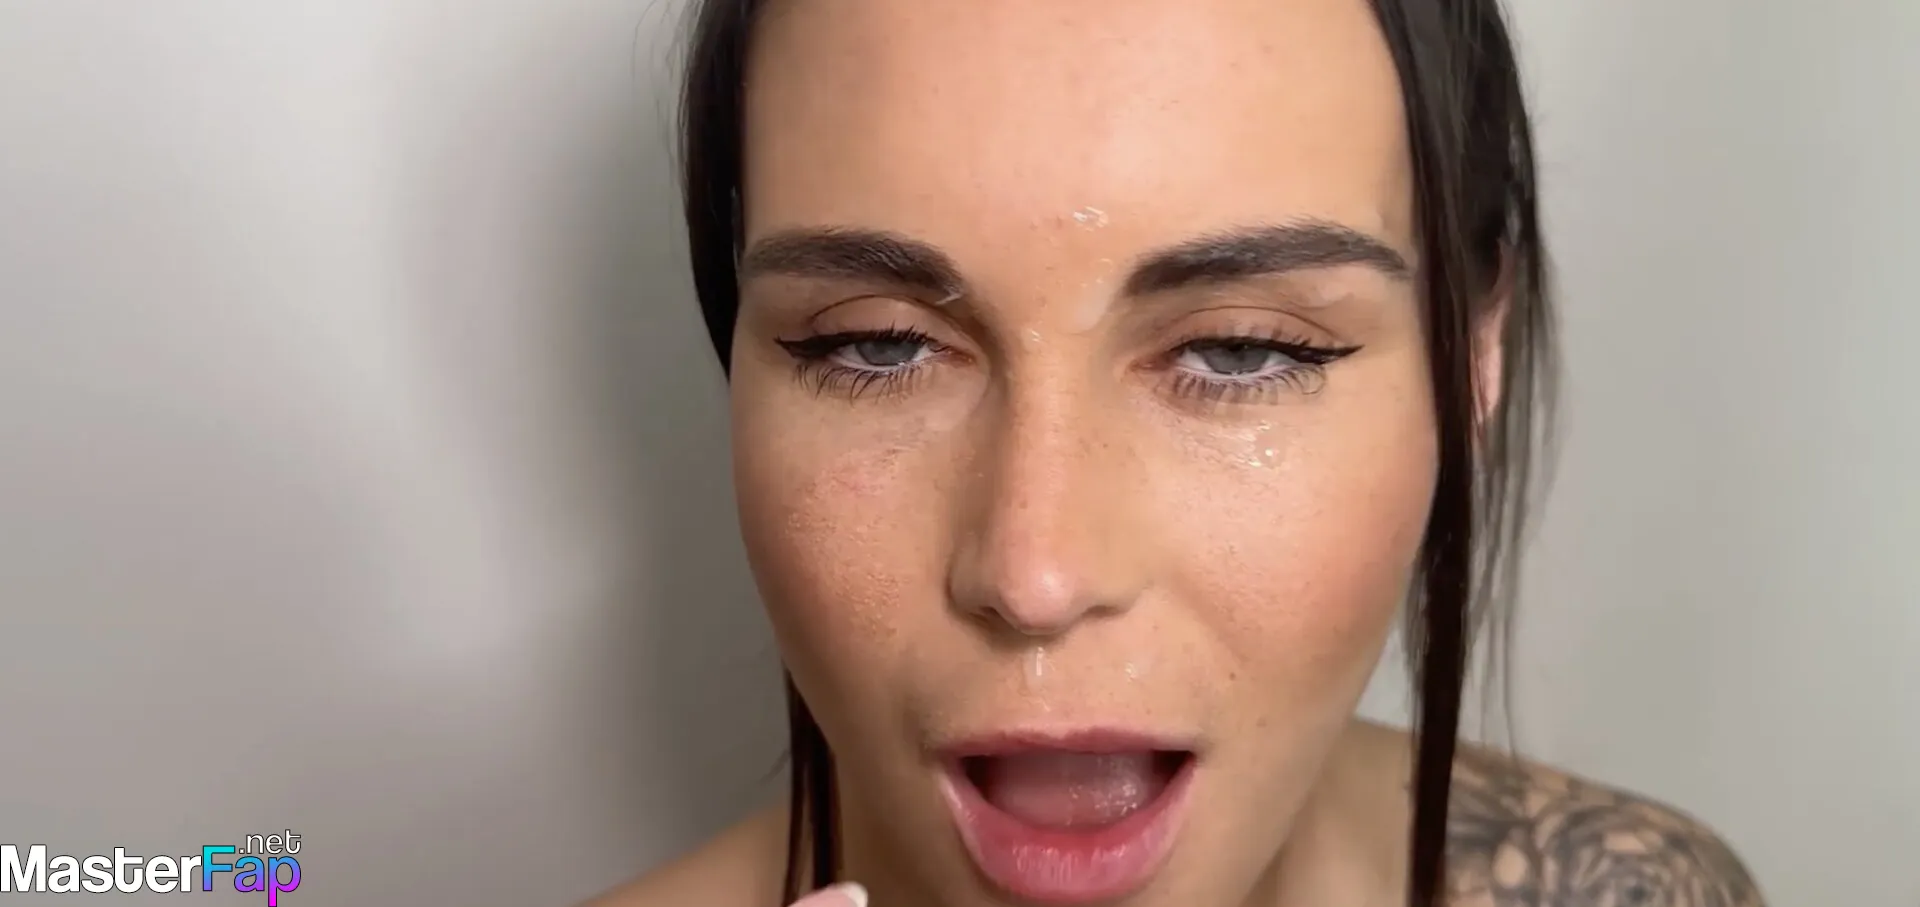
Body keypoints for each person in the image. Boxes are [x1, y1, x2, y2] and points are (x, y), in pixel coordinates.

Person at [591, 0, 1767, 905]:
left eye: (1244, 351)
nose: (1036, 574)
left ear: (1472, 357)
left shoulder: (1627, 887)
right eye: (878, 345)